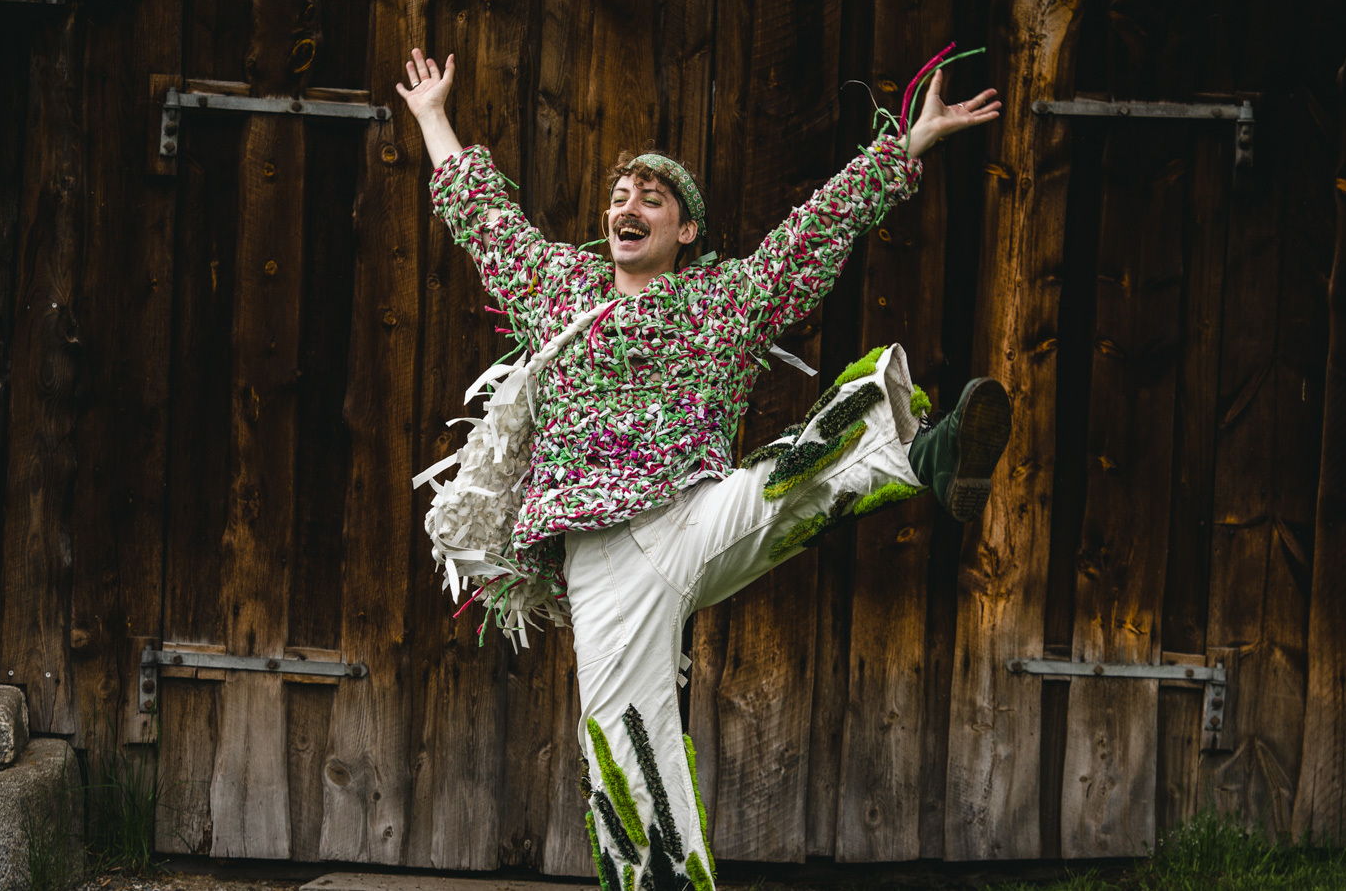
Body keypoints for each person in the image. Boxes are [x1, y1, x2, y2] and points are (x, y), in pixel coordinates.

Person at [397, 47, 1010, 889]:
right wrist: (433, 114)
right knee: (627, 764)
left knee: (797, 474)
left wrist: (908, 145)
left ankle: (926, 451)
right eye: (621, 196)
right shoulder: (558, 288)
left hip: (696, 516)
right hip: (604, 563)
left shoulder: (724, 303)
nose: (630, 205)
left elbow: (812, 235)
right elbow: (484, 218)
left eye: (653, 198)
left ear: (685, 231)